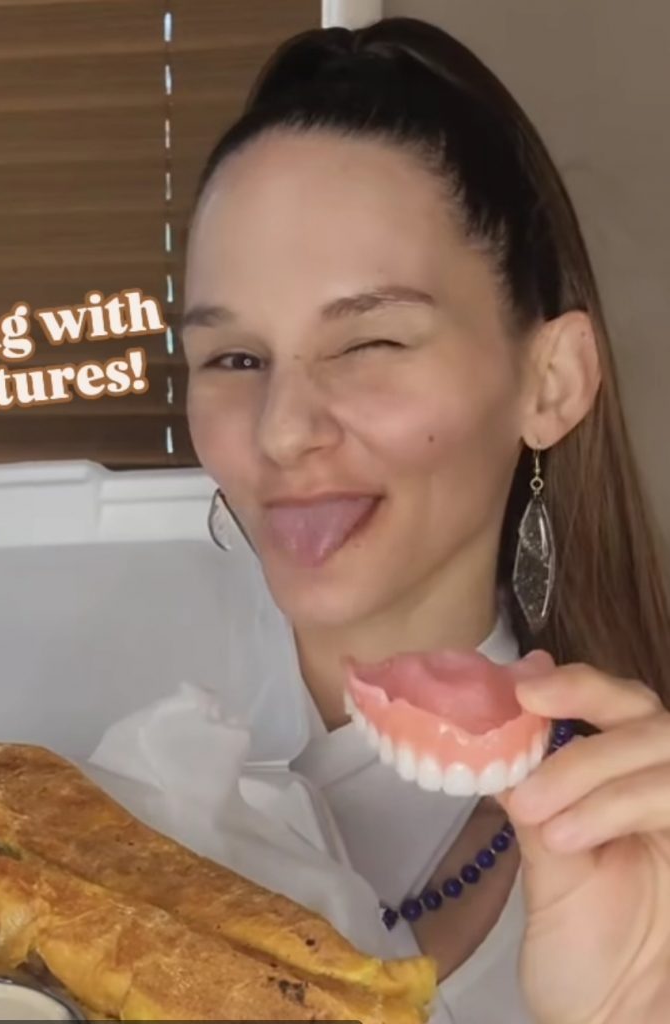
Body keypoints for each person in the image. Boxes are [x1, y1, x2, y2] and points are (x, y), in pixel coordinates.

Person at [179, 16, 670, 1024]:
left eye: (369, 342)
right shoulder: (80, 714)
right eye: (232, 359)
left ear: (552, 379)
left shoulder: (644, 846)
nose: (280, 433)